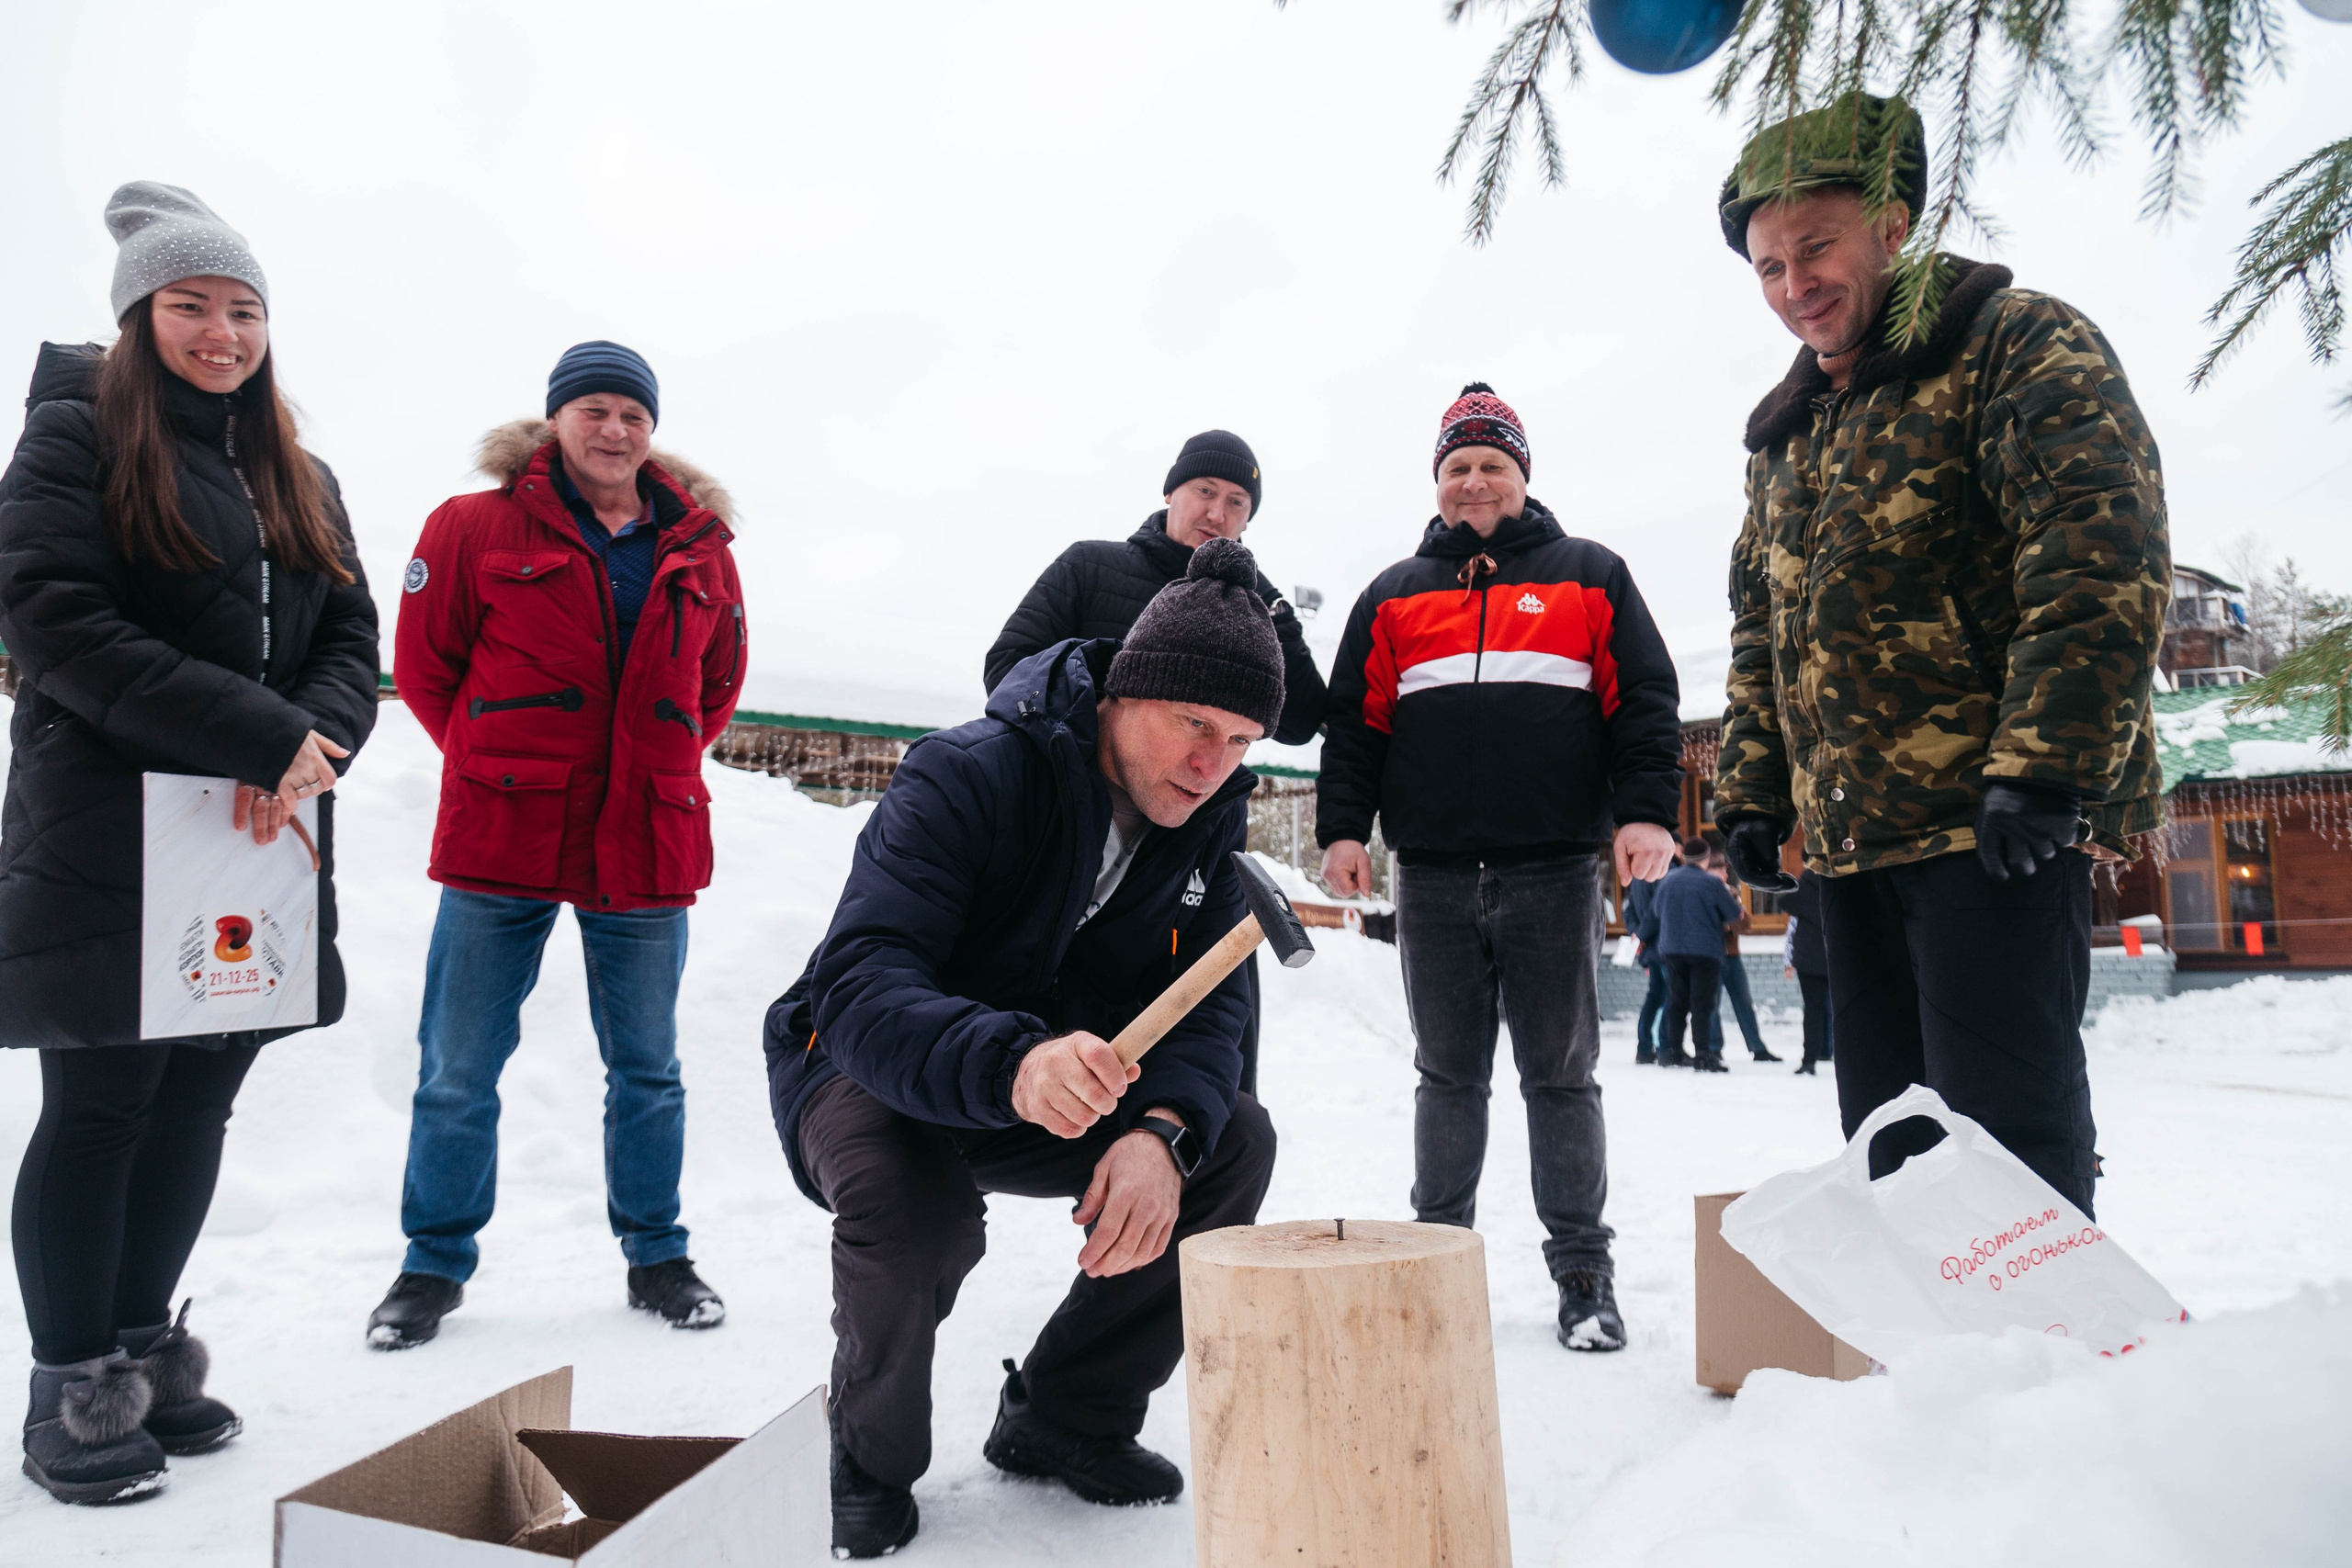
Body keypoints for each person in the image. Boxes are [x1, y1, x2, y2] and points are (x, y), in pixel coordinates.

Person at [769, 539, 1281, 1558]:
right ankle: (867, 1455)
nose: (1210, 764)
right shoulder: (967, 773)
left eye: (1237, 740)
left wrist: (1162, 1133)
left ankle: (1065, 1416)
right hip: (867, 1065)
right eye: (1192, 724)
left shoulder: (1207, 830)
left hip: (1054, 1082)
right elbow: (861, 980)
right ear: (1123, 692)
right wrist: (1013, 1062)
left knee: (1230, 1145)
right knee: (916, 1209)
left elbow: (1212, 1016)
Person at [1713, 94, 2168, 1215]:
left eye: (1815, 246)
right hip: (1852, 843)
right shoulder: (1785, 434)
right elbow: (1763, 628)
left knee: (2006, 1141)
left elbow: (2096, 547)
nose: (1793, 284)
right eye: (1768, 266)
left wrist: (2045, 766)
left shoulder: (2014, 342)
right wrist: (1753, 790)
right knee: (1890, 1141)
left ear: (1893, 223)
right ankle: (1921, 1333)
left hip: (1988, 828)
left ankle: (2041, 1328)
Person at [0, 183, 379, 1503]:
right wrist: (259, 734)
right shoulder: (76, 437)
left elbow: (351, 637)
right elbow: (52, 617)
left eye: (244, 310)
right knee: (103, 1102)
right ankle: (71, 1384)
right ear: (137, 316)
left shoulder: (300, 473)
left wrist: (313, 743)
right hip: (109, 827)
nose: (222, 333)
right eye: (191, 305)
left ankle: (145, 1348)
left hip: (258, 833)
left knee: (198, 1097)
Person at [372, 341, 747, 1348]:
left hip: (645, 839)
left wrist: (645, 767)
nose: (614, 429)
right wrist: (499, 763)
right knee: (457, 1066)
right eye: (594, 409)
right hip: (505, 833)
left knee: (649, 1069)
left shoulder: (702, 547)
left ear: (651, 430)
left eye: (633, 414)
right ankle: (431, 1265)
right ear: (556, 420)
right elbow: (427, 669)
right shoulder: (471, 525)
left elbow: (715, 687)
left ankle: (658, 1255)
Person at [1317, 384, 1681, 1353]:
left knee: (1560, 1077)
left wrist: (1646, 810)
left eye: (1492, 464)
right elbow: (1355, 724)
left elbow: (1643, 700)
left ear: (1522, 477)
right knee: (1446, 1077)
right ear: (1436, 482)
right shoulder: (1393, 595)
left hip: (1552, 871)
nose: (1474, 481)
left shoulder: (1589, 576)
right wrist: (1344, 830)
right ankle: (1435, 1268)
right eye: (1457, 467)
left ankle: (1583, 1275)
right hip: (1432, 876)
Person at [984, 430, 1327, 1097]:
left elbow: (1302, 720)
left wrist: (1278, 618)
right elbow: (1008, 665)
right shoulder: (1092, 566)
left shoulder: (1259, 608)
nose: (1217, 513)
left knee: (1214, 1038)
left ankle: (1199, 1129)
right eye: (1205, 491)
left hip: (1188, 846)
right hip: (1071, 831)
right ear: (1172, 492)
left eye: (1237, 503)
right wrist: (1102, 735)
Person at [1647, 840, 1746, 1073]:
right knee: (1702, 1003)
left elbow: (1656, 911)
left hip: (1672, 950)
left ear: (1684, 857)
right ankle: (1703, 1054)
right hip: (1705, 951)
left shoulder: (1667, 880)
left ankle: (1674, 1051)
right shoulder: (1712, 883)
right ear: (1706, 858)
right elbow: (1733, 914)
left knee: (1677, 1002)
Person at [1706, 850, 1780, 1063]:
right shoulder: (1703, 892)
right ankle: (1714, 1048)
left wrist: (1732, 922)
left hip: (1732, 956)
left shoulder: (1731, 892)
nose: (1725, 875)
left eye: (1725, 871)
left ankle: (1757, 1047)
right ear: (1709, 872)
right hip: (1712, 957)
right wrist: (1727, 923)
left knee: (1744, 1002)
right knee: (1712, 1005)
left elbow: (1746, 923)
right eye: (1721, 871)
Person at [1781, 872, 1833, 1075]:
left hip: (1808, 958)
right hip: (1836, 957)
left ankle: (1809, 1060)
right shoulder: (1838, 882)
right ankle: (1849, 1059)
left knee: (1812, 1010)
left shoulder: (1803, 886)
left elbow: (1792, 926)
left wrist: (1788, 960)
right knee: (1844, 1010)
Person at [1623, 874, 1667, 1065]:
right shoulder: (1665, 870)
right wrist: (1640, 935)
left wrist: (1636, 934)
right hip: (1665, 947)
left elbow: (1629, 911)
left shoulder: (1639, 877)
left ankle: (1644, 1048)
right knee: (1671, 998)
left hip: (1649, 949)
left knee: (1655, 997)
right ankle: (1666, 1047)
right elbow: (1657, 911)